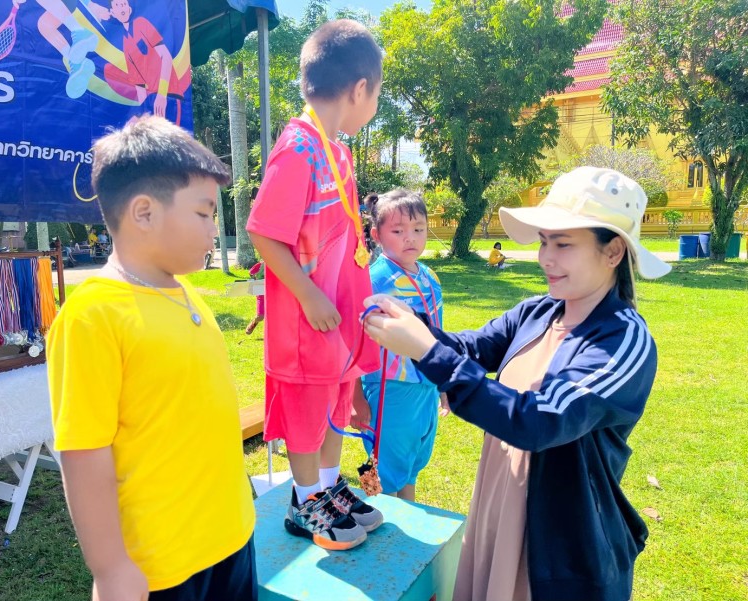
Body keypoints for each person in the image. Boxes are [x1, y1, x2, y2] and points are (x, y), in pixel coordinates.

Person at [363, 167, 671, 601]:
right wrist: (416, 325)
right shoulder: (540, 311)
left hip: (560, 542)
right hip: (500, 507)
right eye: (544, 242)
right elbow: (472, 347)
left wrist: (427, 351)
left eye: (563, 244)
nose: (546, 258)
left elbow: (539, 420)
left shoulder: (622, 339)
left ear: (614, 251)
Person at [47, 116, 256, 601]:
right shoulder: (93, 315)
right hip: (163, 566)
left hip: (232, 537)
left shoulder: (184, 293)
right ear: (143, 212)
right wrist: (111, 568)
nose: (214, 230)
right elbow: (84, 454)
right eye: (204, 214)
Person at [246, 19, 384, 551]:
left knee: (334, 402)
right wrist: (308, 294)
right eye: (377, 94)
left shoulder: (337, 152)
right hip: (308, 321)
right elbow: (263, 232)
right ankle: (304, 501)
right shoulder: (297, 148)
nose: (374, 104)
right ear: (359, 89)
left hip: (339, 318)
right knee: (307, 410)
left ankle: (327, 488)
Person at [352, 190, 448, 502]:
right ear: (377, 235)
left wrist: (443, 384)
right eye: (398, 231)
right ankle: (373, 511)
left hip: (425, 387)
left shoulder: (430, 277)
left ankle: (407, 520)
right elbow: (352, 341)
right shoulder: (374, 280)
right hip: (388, 387)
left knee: (411, 464)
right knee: (380, 466)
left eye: (418, 229)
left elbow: (438, 335)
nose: (410, 238)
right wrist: (355, 398)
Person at [244, 260, 265, 335]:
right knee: (260, 316)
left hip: (273, 290)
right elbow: (251, 273)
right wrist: (255, 279)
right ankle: (253, 324)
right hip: (260, 291)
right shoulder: (261, 265)